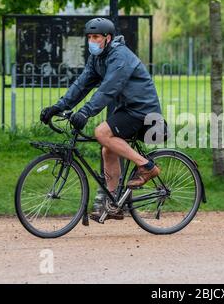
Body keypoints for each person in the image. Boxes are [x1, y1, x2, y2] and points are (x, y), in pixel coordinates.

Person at [40, 17, 163, 222]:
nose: (92, 41)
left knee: (101, 132)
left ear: (108, 38)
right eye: (89, 37)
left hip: (143, 110)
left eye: (96, 36)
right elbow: (81, 85)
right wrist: (58, 106)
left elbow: (108, 89)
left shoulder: (120, 56)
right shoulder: (97, 58)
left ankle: (147, 167)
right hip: (127, 109)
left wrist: (85, 112)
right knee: (108, 149)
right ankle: (113, 202)